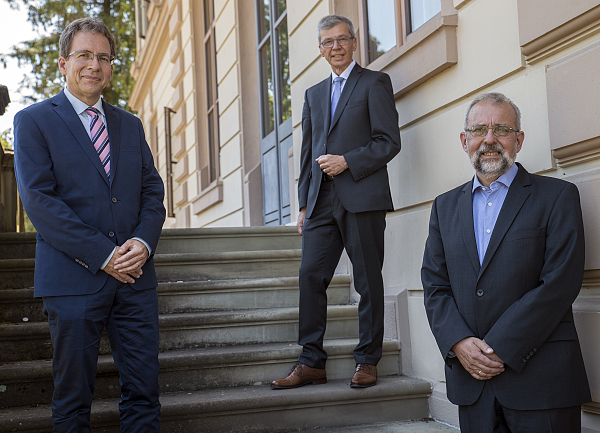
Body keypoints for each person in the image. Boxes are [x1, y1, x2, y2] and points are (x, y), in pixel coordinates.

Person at [14, 17, 165, 432]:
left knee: (144, 393)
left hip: (135, 278)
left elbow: (152, 193)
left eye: (103, 57)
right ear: (63, 63)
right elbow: (40, 202)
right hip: (72, 279)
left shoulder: (130, 125)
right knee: (73, 399)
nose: (94, 65)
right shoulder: (33, 121)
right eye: (84, 55)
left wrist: (142, 242)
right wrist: (103, 255)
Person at [421, 92, 591, 432]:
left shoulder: (557, 196)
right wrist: (458, 343)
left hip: (542, 381)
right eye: (479, 130)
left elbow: (560, 283)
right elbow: (435, 285)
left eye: (501, 129)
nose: (489, 140)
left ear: (519, 139)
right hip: (472, 385)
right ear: (464, 139)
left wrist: (500, 346)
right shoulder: (444, 207)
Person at [271, 14, 401, 390]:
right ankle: (311, 361)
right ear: (320, 49)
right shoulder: (313, 94)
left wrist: (348, 161)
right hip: (320, 201)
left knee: (366, 280)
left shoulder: (375, 83)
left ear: (354, 42)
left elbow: (388, 141)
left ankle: (367, 360)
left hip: (362, 195)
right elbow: (309, 152)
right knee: (310, 275)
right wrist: (302, 205)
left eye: (342, 39)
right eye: (328, 42)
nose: (336, 47)